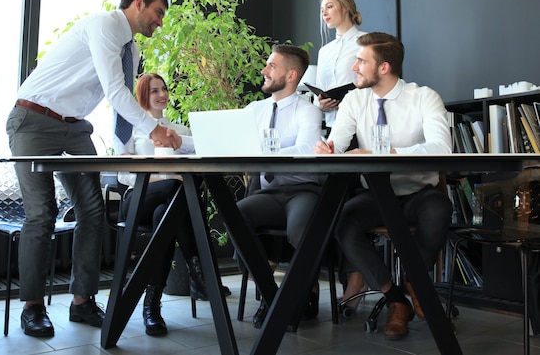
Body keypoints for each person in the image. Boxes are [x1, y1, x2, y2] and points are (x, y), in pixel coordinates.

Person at [6, 0, 181, 338]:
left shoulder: (128, 47)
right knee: (42, 214)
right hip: (35, 120)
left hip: (74, 127)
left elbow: (119, 97)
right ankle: (33, 308)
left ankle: (82, 302)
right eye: (158, 13)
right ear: (137, 4)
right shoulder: (103, 26)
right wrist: (153, 130)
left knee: (92, 210)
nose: (160, 22)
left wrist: (139, 137)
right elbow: (116, 91)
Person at [313, 32, 452, 340]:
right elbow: (336, 144)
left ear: (385, 67)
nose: (354, 68)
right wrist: (327, 148)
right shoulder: (354, 100)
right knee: (343, 220)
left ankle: (416, 282)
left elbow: (442, 148)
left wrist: (387, 153)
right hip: (376, 195)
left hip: (417, 194)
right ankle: (395, 298)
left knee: (440, 209)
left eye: (361, 61)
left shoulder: (423, 97)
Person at [116, 72, 229, 336]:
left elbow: (201, 164)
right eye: (154, 90)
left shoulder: (180, 131)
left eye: (164, 89)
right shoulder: (128, 128)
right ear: (143, 94)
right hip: (138, 198)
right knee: (177, 188)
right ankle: (199, 272)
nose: (162, 94)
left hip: (167, 203)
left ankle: (151, 306)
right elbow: (122, 174)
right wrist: (165, 178)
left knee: (164, 216)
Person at [237, 44, 323, 328]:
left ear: (291, 75)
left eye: (272, 66)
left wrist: (262, 151)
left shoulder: (308, 111)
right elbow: (229, 141)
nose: (264, 70)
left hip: (302, 190)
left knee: (302, 230)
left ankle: (302, 291)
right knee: (236, 215)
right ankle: (270, 296)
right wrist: (179, 140)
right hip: (269, 193)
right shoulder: (254, 110)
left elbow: (306, 149)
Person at [315, 0, 366, 132]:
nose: (324, 13)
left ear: (346, 7)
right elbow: (319, 91)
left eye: (329, 7)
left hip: (360, 125)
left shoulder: (366, 43)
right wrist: (321, 105)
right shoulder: (324, 52)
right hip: (333, 126)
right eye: (322, 9)